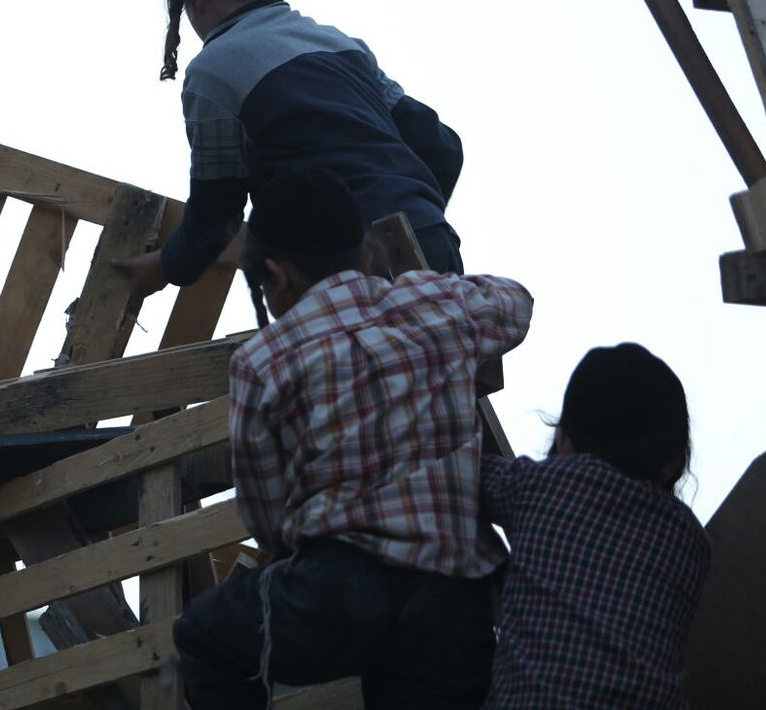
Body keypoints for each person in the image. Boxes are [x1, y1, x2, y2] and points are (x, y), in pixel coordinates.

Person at [173, 168, 533, 709]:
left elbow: (265, 514)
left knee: (203, 638)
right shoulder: (436, 305)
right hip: (454, 594)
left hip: (336, 593)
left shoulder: (261, 361)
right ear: (366, 256)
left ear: (276, 274)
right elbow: (515, 301)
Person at [115, 0, 465, 297]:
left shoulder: (214, 71)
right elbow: (441, 147)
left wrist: (164, 266)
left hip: (344, 267)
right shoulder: (340, 45)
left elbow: (217, 215)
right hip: (431, 243)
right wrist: (416, 215)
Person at [480, 343, 710, 708]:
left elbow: (466, 474)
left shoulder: (540, 486)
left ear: (564, 439)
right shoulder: (691, 545)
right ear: (675, 461)